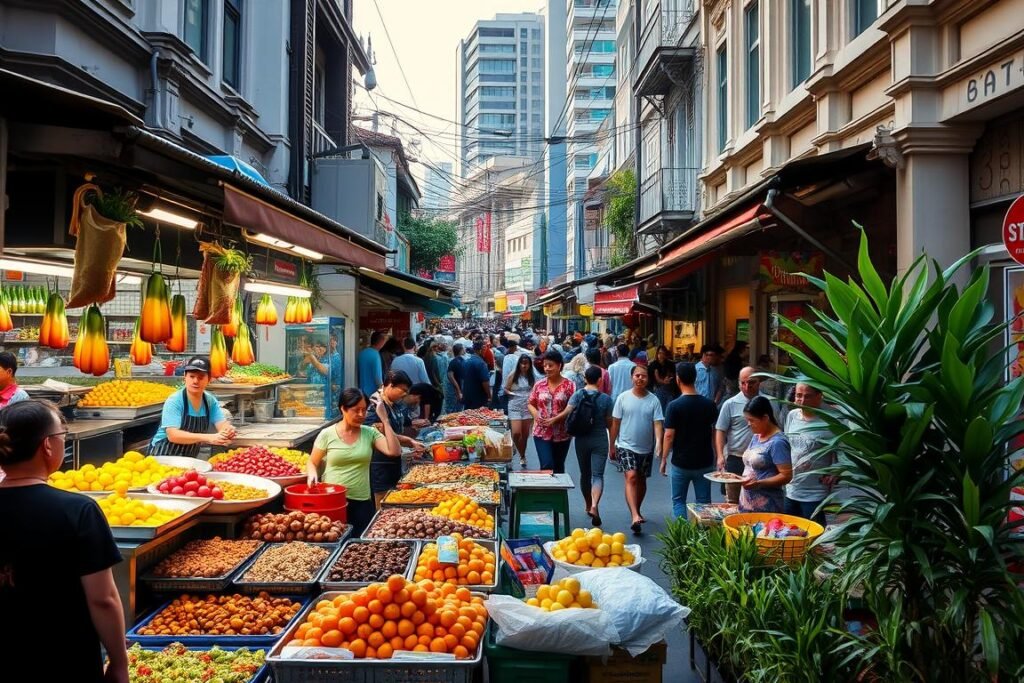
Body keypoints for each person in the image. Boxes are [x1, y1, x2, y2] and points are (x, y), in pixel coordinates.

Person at [0, 399, 128, 683]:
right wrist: (119, 663)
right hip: (65, 661)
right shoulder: (78, 511)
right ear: (47, 445)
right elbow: (103, 599)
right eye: (62, 436)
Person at [308, 388, 401, 534]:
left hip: (361, 502)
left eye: (364, 410)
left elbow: (394, 451)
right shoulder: (327, 434)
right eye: (356, 410)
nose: (361, 415)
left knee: (359, 544)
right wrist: (312, 474)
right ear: (343, 409)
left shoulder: (369, 433)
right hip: (333, 500)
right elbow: (312, 462)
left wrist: (385, 420)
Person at [610, 365, 664, 534]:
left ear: (648, 379)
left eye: (644, 376)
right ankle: (634, 515)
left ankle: (637, 511)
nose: (640, 378)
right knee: (631, 477)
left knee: (641, 480)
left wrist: (659, 443)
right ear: (631, 378)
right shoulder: (623, 398)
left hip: (645, 448)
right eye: (637, 376)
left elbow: (657, 423)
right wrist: (611, 444)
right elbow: (616, 423)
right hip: (625, 445)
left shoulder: (653, 400)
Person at [660, 363, 719, 516]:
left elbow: (669, 435)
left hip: (681, 461)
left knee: (679, 501)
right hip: (705, 461)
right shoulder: (709, 405)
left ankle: (682, 537)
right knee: (704, 502)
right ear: (696, 378)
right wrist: (718, 455)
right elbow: (714, 432)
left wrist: (664, 458)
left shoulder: (674, 406)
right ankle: (703, 536)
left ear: (678, 379)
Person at [149, 356, 235, 456]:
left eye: (201, 377)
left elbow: (222, 425)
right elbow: (173, 435)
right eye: (192, 376)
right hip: (163, 455)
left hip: (188, 458)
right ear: (184, 377)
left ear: (209, 379)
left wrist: (228, 431)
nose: (195, 381)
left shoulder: (209, 401)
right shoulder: (175, 400)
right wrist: (209, 438)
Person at [715, 366, 774, 504]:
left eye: (751, 383)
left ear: (759, 382)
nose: (747, 387)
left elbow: (778, 427)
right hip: (736, 457)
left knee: (759, 499)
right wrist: (720, 455)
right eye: (743, 383)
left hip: (763, 460)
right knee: (733, 500)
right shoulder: (730, 404)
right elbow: (720, 430)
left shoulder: (770, 402)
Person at [567, 365, 614, 526]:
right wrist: (613, 444)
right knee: (598, 475)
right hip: (599, 439)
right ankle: (595, 505)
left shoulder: (578, 395)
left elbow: (568, 413)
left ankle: (588, 504)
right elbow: (610, 424)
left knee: (584, 474)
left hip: (581, 439)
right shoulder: (606, 399)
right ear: (600, 380)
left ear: (585, 378)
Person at [784, 383, 836, 525]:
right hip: (791, 488)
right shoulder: (791, 416)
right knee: (788, 534)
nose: (802, 401)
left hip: (815, 492)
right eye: (798, 396)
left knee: (813, 536)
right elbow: (788, 445)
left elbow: (842, 452)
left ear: (819, 397)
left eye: (807, 396)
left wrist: (835, 472)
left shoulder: (830, 421)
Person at [739, 396, 793, 513]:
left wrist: (759, 483)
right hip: (747, 503)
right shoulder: (756, 436)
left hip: (767, 506)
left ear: (765, 418)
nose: (749, 424)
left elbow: (786, 475)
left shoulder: (778, 442)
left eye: (752, 420)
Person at [527, 350, 576, 473]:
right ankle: (546, 491)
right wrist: (536, 415)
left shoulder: (570, 386)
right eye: (545, 366)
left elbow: (572, 406)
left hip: (562, 433)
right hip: (541, 432)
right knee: (546, 465)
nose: (547, 368)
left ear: (559, 366)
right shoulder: (539, 385)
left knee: (559, 466)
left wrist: (556, 418)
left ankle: (559, 491)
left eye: (550, 365)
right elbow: (530, 403)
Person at [504, 354, 536, 468]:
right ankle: (517, 449)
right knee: (517, 433)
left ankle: (522, 455)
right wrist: (513, 393)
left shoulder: (532, 376)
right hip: (514, 405)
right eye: (522, 363)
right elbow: (506, 389)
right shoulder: (514, 375)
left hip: (527, 406)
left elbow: (535, 390)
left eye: (526, 363)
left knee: (525, 434)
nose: (524, 366)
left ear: (529, 364)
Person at [461, 340, 492, 410]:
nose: (485, 351)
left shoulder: (466, 361)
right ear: (480, 350)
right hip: (478, 398)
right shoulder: (481, 363)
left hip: (467, 396)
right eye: (484, 349)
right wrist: (489, 396)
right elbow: (485, 382)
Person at [648, 345, 678, 410]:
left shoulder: (670, 364)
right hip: (658, 389)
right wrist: (664, 381)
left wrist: (669, 378)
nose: (661, 355)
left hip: (669, 389)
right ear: (657, 354)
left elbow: (672, 374)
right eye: (659, 353)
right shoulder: (654, 364)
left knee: (669, 409)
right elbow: (657, 378)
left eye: (663, 353)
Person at [443, 343, 466, 414]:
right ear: (461, 350)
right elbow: (450, 376)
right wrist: (458, 391)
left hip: (458, 390)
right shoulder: (455, 362)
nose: (465, 349)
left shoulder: (460, 360)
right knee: (452, 410)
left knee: (458, 409)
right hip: (454, 391)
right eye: (464, 348)